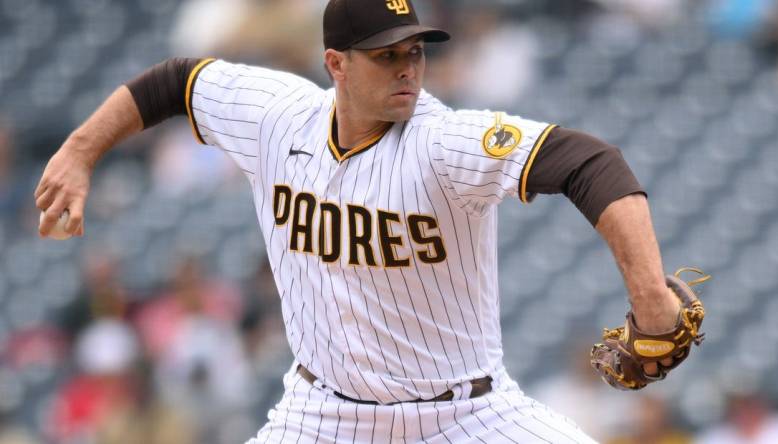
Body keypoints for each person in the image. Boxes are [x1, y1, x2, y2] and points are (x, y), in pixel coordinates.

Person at [35, 0, 686, 442]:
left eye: (415, 51)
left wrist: (651, 298)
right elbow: (174, 82)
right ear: (336, 64)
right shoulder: (278, 116)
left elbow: (590, 163)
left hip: (465, 416)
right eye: (385, 55)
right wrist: (80, 150)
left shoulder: (444, 143)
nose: (407, 67)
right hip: (320, 415)